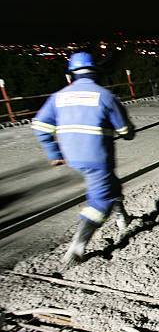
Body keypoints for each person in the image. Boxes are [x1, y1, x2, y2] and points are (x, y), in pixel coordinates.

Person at [32, 52, 134, 265]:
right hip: (97, 158)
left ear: (72, 75)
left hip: (72, 157)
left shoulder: (59, 97)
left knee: (111, 185)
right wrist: (126, 133)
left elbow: (40, 126)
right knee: (101, 199)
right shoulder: (104, 96)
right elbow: (125, 129)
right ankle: (77, 249)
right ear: (95, 73)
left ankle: (122, 219)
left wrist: (54, 153)